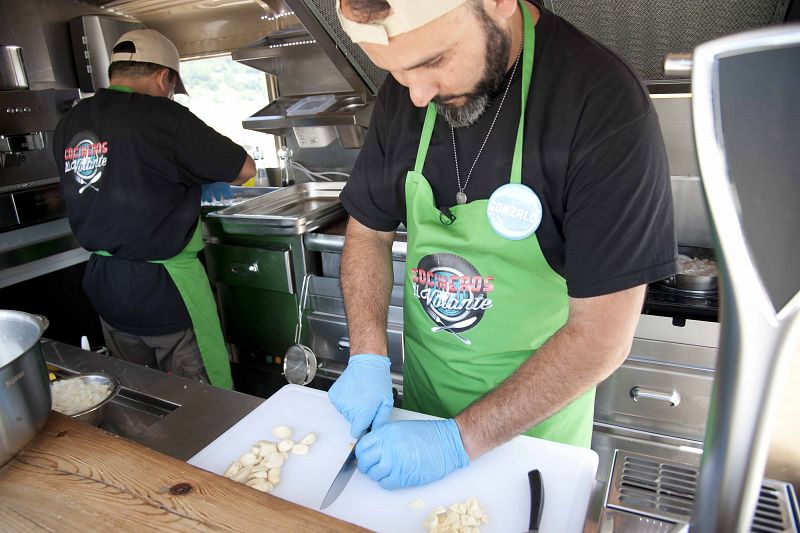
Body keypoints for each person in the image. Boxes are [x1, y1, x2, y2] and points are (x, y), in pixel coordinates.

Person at [328, 0, 677, 489]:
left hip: (533, 441)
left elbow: (601, 336)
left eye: (433, 61)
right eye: (398, 72)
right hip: (418, 422)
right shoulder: (407, 90)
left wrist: (458, 442)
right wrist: (367, 355)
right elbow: (368, 232)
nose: (418, 94)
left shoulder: (601, 102)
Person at [53, 29, 255, 388]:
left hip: (105, 285)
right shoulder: (163, 115)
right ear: (164, 77)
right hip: (166, 289)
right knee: (206, 403)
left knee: (141, 395)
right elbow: (245, 170)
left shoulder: (70, 121)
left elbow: (122, 175)